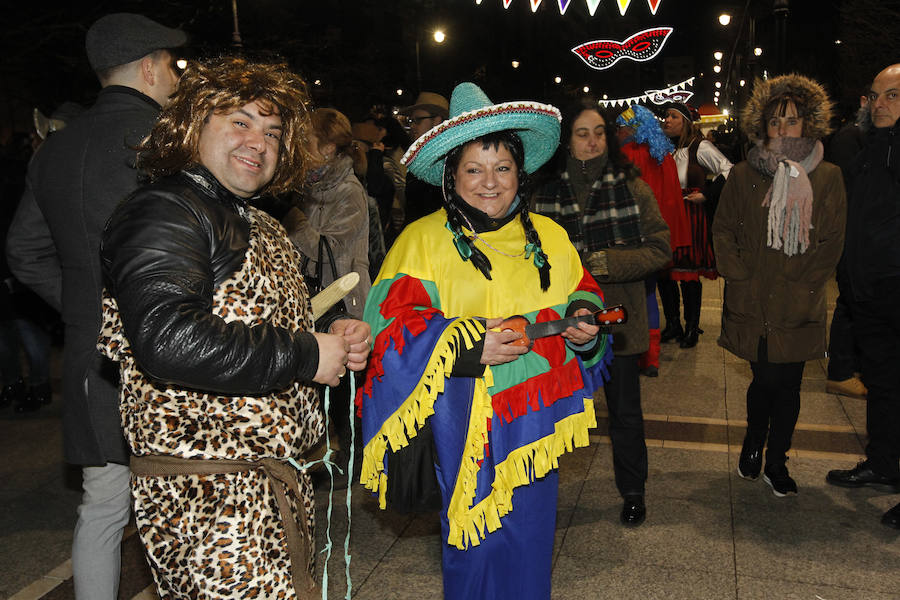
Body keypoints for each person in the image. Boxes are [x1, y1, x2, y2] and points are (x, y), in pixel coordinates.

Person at [97, 56, 372, 597]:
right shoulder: (166, 209)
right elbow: (168, 338)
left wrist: (332, 336)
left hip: (266, 483)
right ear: (194, 125)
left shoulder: (257, 220)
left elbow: (262, 319)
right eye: (239, 122)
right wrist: (304, 354)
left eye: (273, 131)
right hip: (208, 496)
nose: (260, 142)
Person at [358, 82, 612, 599]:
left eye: (502, 168)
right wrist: (466, 344)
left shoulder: (552, 236)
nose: (490, 183)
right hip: (463, 423)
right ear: (452, 175)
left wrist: (585, 320)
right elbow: (390, 327)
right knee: (472, 548)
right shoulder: (421, 241)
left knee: (530, 545)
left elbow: (581, 293)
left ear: (520, 172)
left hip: (535, 420)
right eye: (474, 168)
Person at [5, 13, 185, 598]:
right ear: (149, 66)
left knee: (103, 502)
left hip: (93, 352)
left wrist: (88, 307)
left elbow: (23, 251)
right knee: (188, 498)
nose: (177, 77)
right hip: (175, 345)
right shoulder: (167, 142)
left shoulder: (55, 149)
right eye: (172, 65)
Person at [534, 99, 671, 526]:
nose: (592, 141)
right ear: (566, 140)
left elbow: (661, 248)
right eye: (582, 133)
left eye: (599, 132)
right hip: (560, 324)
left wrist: (607, 262)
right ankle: (536, 496)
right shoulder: (543, 192)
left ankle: (633, 491)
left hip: (617, 321)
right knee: (550, 412)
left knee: (625, 413)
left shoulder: (631, 185)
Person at [714, 73, 845, 497]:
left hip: (797, 300)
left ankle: (777, 459)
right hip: (753, 298)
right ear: (762, 126)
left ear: (808, 124)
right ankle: (755, 438)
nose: (783, 129)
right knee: (764, 378)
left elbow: (832, 240)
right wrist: (738, 273)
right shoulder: (743, 174)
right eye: (775, 121)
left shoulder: (828, 177)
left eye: (792, 121)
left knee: (788, 383)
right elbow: (723, 229)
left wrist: (804, 281)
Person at [282, 107, 373, 486]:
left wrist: (293, 220)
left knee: (342, 392)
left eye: (308, 141)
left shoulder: (349, 191)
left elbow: (331, 251)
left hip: (345, 299)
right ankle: (326, 456)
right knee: (317, 384)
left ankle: (352, 461)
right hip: (314, 297)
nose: (301, 147)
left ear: (330, 148)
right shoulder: (307, 186)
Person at [826, 63, 900, 529]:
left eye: (891, 96)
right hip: (868, 293)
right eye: (874, 95)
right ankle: (883, 462)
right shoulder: (871, 147)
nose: (879, 105)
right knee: (884, 385)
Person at [616, 104, 690, 377]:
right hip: (656, 242)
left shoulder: (625, 155)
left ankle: (636, 355)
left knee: (634, 297)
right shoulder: (664, 155)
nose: (617, 132)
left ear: (631, 127)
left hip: (631, 242)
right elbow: (671, 202)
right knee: (649, 295)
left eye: (620, 126)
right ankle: (651, 358)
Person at [659, 102, 733, 348]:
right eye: (665, 116)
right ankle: (673, 324)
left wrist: (707, 194)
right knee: (664, 272)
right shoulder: (664, 150)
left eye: (673, 116)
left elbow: (728, 170)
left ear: (686, 121)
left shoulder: (699, 147)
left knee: (688, 275)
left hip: (690, 216)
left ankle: (691, 326)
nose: (666, 120)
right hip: (666, 215)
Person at [824, 94, 870, 400]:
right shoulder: (850, 137)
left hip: (871, 237)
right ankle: (840, 370)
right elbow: (845, 195)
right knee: (851, 301)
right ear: (865, 101)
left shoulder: (875, 138)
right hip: (855, 236)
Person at [398, 91, 448, 229]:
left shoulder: (448, 160)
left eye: (418, 120)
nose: (413, 126)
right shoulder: (417, 157)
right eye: (411, 121)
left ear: (437, 121)